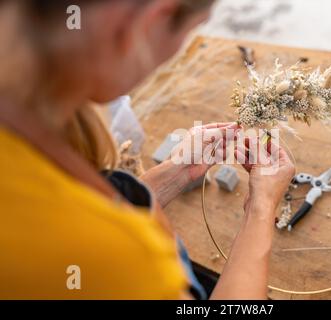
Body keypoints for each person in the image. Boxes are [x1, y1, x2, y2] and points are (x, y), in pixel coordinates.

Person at [0, 0, 294, 299]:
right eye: (190, 31)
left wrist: (175, 172)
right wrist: (262, 206)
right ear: (151, 21)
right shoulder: (127, 262)